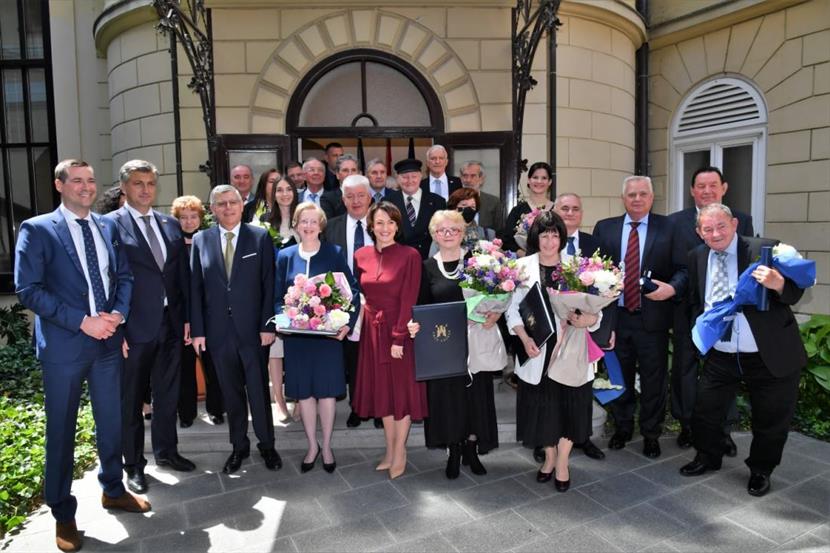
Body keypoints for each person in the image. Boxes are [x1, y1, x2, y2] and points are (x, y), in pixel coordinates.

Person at [15, 159, 149, 553]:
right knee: (61, 431)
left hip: (107, 343)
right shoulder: (37, 229)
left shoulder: (107, 226)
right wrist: (82, 322)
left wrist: (118, 316)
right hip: (64, 348)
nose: (86, 187)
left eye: (91, 180)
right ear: (60, 185)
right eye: (77, 180)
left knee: (112, 422)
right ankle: (62, 513)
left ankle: (112, 489)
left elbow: (123, 277)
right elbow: (29, 289)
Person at [679, 204, 806, 497]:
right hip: (721, 352)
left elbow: (796, 290)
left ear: (734, 224)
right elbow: (698, 301)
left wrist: (778, 284)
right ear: (699, 233)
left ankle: (761, 470)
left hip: (768, 353)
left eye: (721, 226)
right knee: (705, 411)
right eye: (707, 229)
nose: (715, 233)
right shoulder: (697, 256)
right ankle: (707, 457)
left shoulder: (766, 249)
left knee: (770, 419)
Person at [106, 160, 195, 494]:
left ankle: (167, 452)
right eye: (138, 183)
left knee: (167, 394)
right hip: (132, 329)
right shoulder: (109, 225)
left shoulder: (170, 224)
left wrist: (187, 319)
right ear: (125, 187)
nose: (145, 190)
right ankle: (133, 465)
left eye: (150, 184)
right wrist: (117, 328)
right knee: (130, 400)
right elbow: (106, 279)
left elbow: (180, 276)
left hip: (170, 325)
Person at [592, 176, 687, 459]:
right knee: (619, 377)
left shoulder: (669, 228)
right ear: (623, 198)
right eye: (631, 194)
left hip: (653, 319)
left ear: (651, 197)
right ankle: (623, 427)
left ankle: (651, 433)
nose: (637, 199)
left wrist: (671, 289)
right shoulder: (605, 228)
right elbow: (595, 271)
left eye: (642, 194)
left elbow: (683, 269)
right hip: (617, 318)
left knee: (653, 379)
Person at [506, 211, 601, 492]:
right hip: (538, 349)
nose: (549, 241)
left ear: (563, 237)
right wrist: (523, 339)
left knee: (570, 407)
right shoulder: (521, 267)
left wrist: (590, 321)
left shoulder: (578, 267)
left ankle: (562, 462)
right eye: (544, 235)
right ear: (536, 238)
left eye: (555, 234)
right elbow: (512, 310)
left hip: (571, 349)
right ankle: (548, 457)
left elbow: (595, 308)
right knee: (543, 410)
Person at [190, 185, 282, 474]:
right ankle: (238, 446)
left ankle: (267, 445)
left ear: (243, 205)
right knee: (231, 393)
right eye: (221, 203)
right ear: (212, 209)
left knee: (257, 390)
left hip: (253, 331)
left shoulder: (260, 237)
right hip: (217, 333)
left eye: (232, 202)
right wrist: (198, 331)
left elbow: (270, 284)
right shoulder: (200, 240)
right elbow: (196, 289)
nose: (228, 207)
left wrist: (268, 324)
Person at [668, 166, 754, 454]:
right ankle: (687, 425)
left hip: (728, 315)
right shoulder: (675, 222)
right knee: (685, 370)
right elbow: (677, 268)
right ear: (692, 190)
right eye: (700, 186)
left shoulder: (742, 219)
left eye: (713, 185)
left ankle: (723, 430)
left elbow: (746, 264)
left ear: (723, 188)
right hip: (688, 310)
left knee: (726, 370)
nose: (707, 191)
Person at [410, 210, 499, 479]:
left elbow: (496, 295)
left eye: (454, 230)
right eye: (442, 230)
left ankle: (471, 448)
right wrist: (416, 326)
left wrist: (495, 313)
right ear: (434, 234)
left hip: (475, 343)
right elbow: (421, 305)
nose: (448, 235)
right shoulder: (426, 267)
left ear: (463, 233)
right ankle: (454, 450)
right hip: (443, 346)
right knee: (448, 400)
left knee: (475, 398)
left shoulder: (477, 262)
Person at [275, 202, 360, 473]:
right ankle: (311, 445)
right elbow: (277, 296)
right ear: (296, 225)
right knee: (305, 394)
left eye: (313, 221)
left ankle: (327, 445)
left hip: (327, 338)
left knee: (325, 394)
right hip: (297, 338)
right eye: (303, 221)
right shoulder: (285, 256)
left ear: (321, 225)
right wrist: (283, 319)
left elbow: (351, 292)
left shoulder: (334, 253)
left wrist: (347, 324)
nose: (308, 226)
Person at [353, 202, 426, 479]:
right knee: (383, 392)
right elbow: (359, 295)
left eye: (391, 222)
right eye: (380, 222)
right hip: (372, 330)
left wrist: (398, 337)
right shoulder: (360, 255)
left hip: (399, 330)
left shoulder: (410, 256)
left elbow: (409, 299)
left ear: (398, 226)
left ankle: (400, 452)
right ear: (371, 225)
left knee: (401, 393)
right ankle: (389, 449)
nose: (385, 228)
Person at [552, 192, 606, 462]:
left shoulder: (595, 244)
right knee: (553, 390)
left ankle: (582, 437)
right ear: (555, 212)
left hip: (584, 329)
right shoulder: (545, 245)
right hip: (554, 330)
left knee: (582, 388)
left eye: (575, 209)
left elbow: (610, 286)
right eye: (564, 208)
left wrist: (595, 322)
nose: (570, 213)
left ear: (581, 214)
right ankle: (550, 440)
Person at [322, 175, 374, 428]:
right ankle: (357, 407)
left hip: (378, 301)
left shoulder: (382, 223)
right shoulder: (330, 227)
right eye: (350, 196)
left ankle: (378, 408)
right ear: (342, 199)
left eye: (360, 195)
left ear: (370, 197)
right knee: (353, 359)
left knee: (376, 357)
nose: (356, 201)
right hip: (343, 303)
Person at [170, 195, 225, 428]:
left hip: (208, 315)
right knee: (183, 368)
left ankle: (216, 409)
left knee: (213, 365)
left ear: (201, 218)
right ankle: (186, 413)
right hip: (180, 316)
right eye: (183, 218)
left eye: (193, 217)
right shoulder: (171, 244)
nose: (189, 221)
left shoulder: (210, 241)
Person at [261, 178, 300, 422]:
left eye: (289, 189)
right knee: (275, 350)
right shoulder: (265, 222)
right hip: (273, 290)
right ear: (273, 194)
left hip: (300, 293)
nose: (284, 194)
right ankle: (280, 401)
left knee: (295, 348)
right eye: (279, 190)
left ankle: (297, 398)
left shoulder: (304, 217)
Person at [388, 158, 447, 259]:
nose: (410, 181)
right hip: (398, 260)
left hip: (429, 261)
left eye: (414, 176)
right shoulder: (388, 202)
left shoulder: (437, 202)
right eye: (405, 177)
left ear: (421, 176)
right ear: (397, 178)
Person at [502, 162, 554, 254]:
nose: (539, 181)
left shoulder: (556, 210)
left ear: (550, 182)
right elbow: (507, 241)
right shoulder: (517, 211)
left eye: (544, 178)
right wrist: (521, 252)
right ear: (529, 180)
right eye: (535, 177)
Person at [459, 160, 502, 234]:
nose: (468, 180)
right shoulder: (453, 202)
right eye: (465, 176)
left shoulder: (493, 202)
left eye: (473, 176)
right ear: (461, 178)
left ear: (481, 179)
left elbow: (500, 233)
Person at [321, 154, 361, 220]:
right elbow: (330, 225)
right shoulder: (327, 199)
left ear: (359, 173)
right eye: (345, 170)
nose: (350, 174)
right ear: (337, 174)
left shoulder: (366, 197)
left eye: (353, 170)